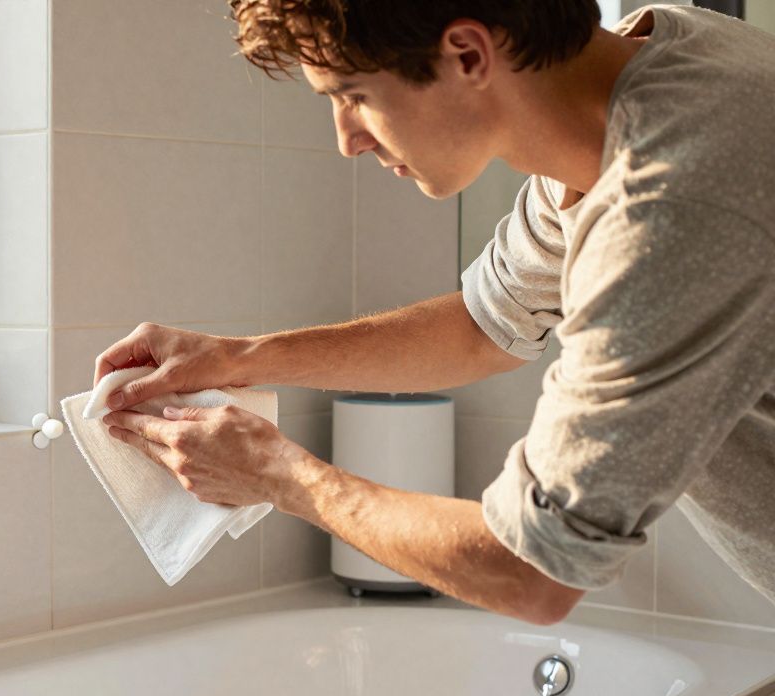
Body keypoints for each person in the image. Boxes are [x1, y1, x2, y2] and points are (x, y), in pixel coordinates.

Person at [93, 0, 775, 625]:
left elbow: (532, 572)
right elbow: (484, 325)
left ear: (469, 55)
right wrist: (238, 357)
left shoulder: (666, 206)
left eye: (354, 97)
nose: (346, 139)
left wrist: (278, 475)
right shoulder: (657, 69)